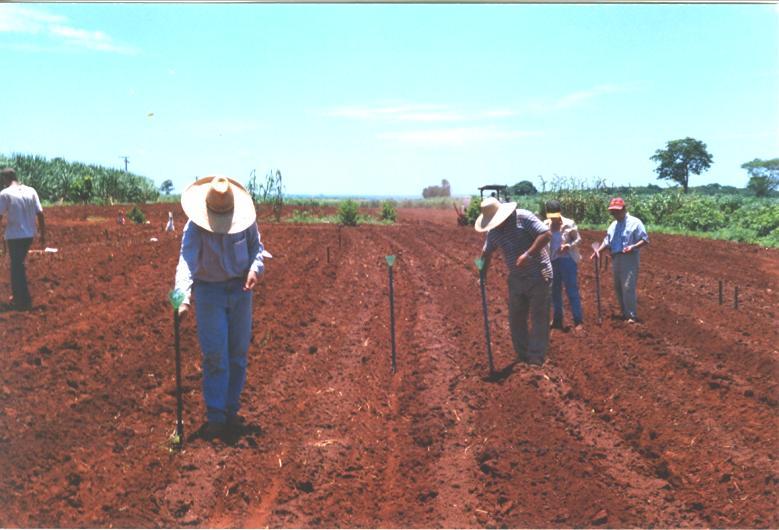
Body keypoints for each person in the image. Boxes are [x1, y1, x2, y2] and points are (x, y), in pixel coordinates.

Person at [174, 176, 265, 439]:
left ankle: (231, 410)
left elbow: (257, 250)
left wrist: (253, 270)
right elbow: (186, 262)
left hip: (240, 291)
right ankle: (215, 416)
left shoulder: (246, 223)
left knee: (237, 354)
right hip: (209, 292)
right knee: (215, 356)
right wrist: (182, 297)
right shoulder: (194, 228)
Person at [476, 197, 552, 366]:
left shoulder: (523, 218)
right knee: (516, 318)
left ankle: (536, 357)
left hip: (539, 274)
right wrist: (481, 273)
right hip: (516, 277)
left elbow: (546, 234)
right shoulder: (493, 232)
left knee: (539, 317)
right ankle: (523, 354)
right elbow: (484, 255)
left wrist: (528, 254)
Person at [590, 197, 649, 323]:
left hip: (629, 257)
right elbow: (607, 240)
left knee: (628, 286)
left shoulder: (635, 223)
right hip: (616, 257)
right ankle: (624, 313)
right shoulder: (613, 225)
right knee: (618, 287)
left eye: (617, 211)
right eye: (613, 212)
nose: (614, 214)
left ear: (624, 209)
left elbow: (645, 240)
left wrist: (633, 246)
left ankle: (631, 316)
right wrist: (598, 251)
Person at [0, 168, 45, 311]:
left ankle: (22, 299)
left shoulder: (5, 194)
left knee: (16, 266)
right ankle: (20, 297)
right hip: (29, 235)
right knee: (18, 264)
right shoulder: (31, 191)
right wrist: (43, 234)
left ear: (5, 179)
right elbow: (40, 213)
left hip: (14, 235)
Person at [544, 200, 584, 331]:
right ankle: (557, 319)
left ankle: (578, 320)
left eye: (555, 216)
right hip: (553, 261)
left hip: (568, 260)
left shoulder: (569, 223)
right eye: (551, 217)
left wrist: (568, 246)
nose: (554, 219)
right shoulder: (545, 225)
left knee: (571, 290)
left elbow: (578, 239)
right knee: (555, 291)